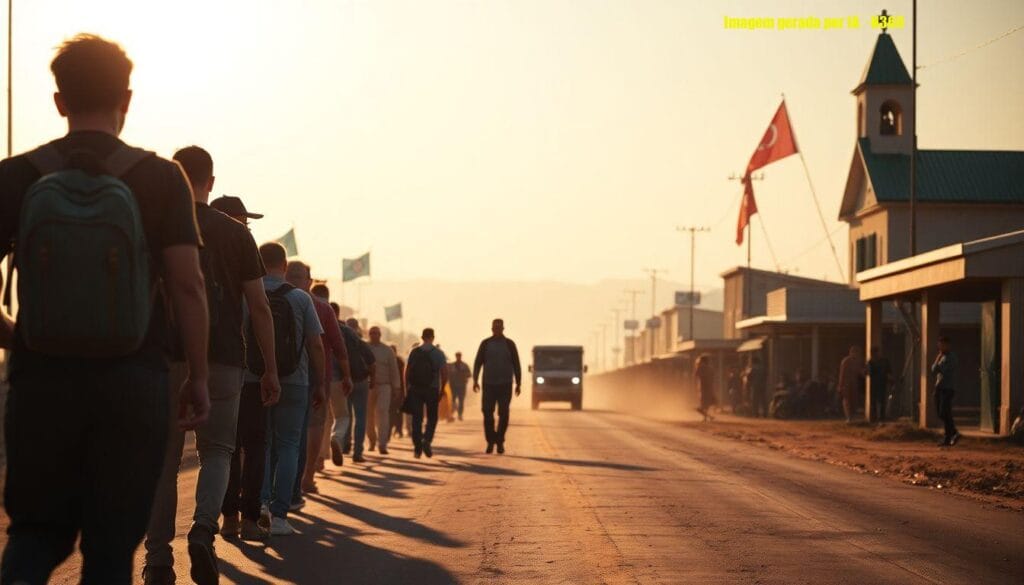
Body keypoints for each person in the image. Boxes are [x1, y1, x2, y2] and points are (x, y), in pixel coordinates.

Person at [0, 35, 210, 585]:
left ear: (59, 101)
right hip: (133, 378)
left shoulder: (16, 176)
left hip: (40, 378)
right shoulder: (163, 178)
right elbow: (188, 286)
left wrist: (10, 333)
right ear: (127, 98)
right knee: (112, 546)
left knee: (35, 532)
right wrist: (199, 377)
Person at [143, 148, 278, 585]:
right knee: (218, 450)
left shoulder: (153, 225)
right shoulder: (237, 233)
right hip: (223, 357)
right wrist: (271, 368)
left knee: (161, 462)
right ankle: (203, 528)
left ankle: (158, 560)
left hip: (163, 357)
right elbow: (259, 306)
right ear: (211, 182)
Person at [255, 249, 325, 536]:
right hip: (296, 381)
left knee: (263, 445)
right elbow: (316, 345)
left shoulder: (251, 291)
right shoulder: (300, 298)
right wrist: (319, 383)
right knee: (288, 446)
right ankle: (280, 515)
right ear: (284, 265)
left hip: (256, 380)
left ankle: (259, 504)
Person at [291, 278, 350, 505]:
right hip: (316, 378)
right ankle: (306, 478)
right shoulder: (321, 307)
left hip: (275, 377)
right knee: (313, 427)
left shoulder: (264, 295)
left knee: (282, 435)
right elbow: (337, 344)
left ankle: (272, 490)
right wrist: (346, 374)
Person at [472, 318, 522, 454]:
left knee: (504, 413)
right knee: (487, 412)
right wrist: (475, 380)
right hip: (489, 384)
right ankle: (490, 441)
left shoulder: (509, 344)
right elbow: (478, 362)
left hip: (505, 384)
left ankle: (499, 441)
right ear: (492, 329)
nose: (497, 330)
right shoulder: (485, 344)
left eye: (499, 328)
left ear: (503, 329)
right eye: (495, 328)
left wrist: (518, 383)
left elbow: (516, 363)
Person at [332, 317, 375, 463]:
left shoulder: (332, 333)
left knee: (346, 414)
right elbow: (371, 361)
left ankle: (344, 445)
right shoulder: (357, 339)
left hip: (342, 380)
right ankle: (358, 452)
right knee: (360, 416)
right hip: (360, 380)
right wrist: (372, 380)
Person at [406, 328, 448, 458]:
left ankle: (417, 448)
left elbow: (407, 371)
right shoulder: (439, 353)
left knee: (416, 418)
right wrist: (442, 389)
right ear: (433, 337)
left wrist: (407, 388)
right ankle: (427, 440)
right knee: (432, 417)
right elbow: (444, 373)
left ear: (422, 337)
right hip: (432, 389)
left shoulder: (414, 352)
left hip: (416, 389)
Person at [367, 326, 402, 455]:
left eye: (376, 333)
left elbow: (394, 370)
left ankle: (382, 444)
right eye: (371, 333)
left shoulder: (387, 350)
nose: (373, 335)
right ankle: (371, 440)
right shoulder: (365, 348)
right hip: (369, 385)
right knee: (368, 415)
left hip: (384, 386)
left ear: (380, 335)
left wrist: (396, 387)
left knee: (382, 412)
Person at [932, 336, 961, 447]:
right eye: (939, 345)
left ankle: (949, 436)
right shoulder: (941, 357)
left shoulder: (952, 357)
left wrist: (937, 365)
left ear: (948, 345)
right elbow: (933, 370)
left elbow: (943, 370)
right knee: (941, 413)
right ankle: (953, 433)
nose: (940, 347)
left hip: (947, 388)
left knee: (944, 412)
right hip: (939, 387)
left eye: (943, 345)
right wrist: (937, 359)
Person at [838, 346, 865, 423]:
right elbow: (842, 374)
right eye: (855, 352)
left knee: (853, 400)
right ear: (851, 352)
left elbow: (860, 372)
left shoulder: (857, 361)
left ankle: (851, 417)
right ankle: (848, 417)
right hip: (846, 383)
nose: (856, 354)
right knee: (846, 400)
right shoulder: (845, 361)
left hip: (854, 382)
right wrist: (840, 385)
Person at [866, 346, 892, 423]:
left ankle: (880, 417)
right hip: (876, 383)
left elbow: (889, 371)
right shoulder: (871, 362)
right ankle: (877, 418)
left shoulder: (883, 361)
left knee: (880, 400)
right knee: (876, 401)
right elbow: (868, 373)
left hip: (880, 383)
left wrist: (890, 379)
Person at [448, 352, 472, 421]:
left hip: (462, 386)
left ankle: (460, 414)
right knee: (453, 401)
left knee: (461, 401)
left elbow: (469, 374)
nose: (458, 357)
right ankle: (452, 414)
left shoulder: (464, 365)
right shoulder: (452, 365)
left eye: (459, 356)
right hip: (453, 386)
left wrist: (464, 376)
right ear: (456, 356)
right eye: (457, 356)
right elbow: (448, 374)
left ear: (461, 356)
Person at [390, 344, 407, 439]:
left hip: (399, 389)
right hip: (391, 389)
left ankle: (398, 429)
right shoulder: (397, 361)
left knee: (398, 411)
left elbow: (402, 376)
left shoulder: (399, 361)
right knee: (393, 411)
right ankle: (394, 429)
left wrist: (403, 390)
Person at [694, 354, 716, 422]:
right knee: (707, 404)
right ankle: (708, 417)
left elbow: (696, 375)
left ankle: (707, 417)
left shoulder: (700, 367)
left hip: (703, 388)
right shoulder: (710, 368)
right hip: (709, 387)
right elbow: (712, 377)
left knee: (703, 404)